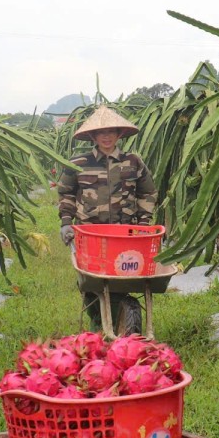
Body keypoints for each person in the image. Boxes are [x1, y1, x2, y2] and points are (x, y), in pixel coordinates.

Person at [57, 104, 158, 335]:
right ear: (93, 135)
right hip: (90, 233)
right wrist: (65, 222)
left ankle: (122, 320)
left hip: (126, 233)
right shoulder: (78, 163)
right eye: (101, 132)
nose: (106, 136)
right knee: (92, 282)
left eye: (111, 131)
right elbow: (66, 193)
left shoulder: (133, 161)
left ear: (119, 134)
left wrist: (143, 224)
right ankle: (96, 326)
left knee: (123, 275)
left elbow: (148, 192)